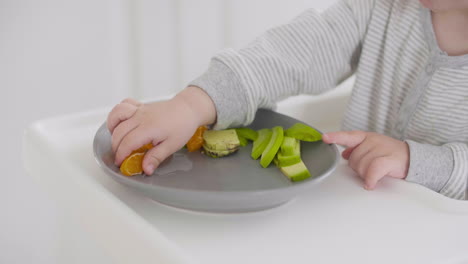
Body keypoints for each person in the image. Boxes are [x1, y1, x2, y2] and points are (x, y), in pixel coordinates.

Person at [107, 0, 468, 200]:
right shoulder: (385, 7)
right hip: (358, 216)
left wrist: (417, 161)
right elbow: (297, 51)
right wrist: (193, 103)